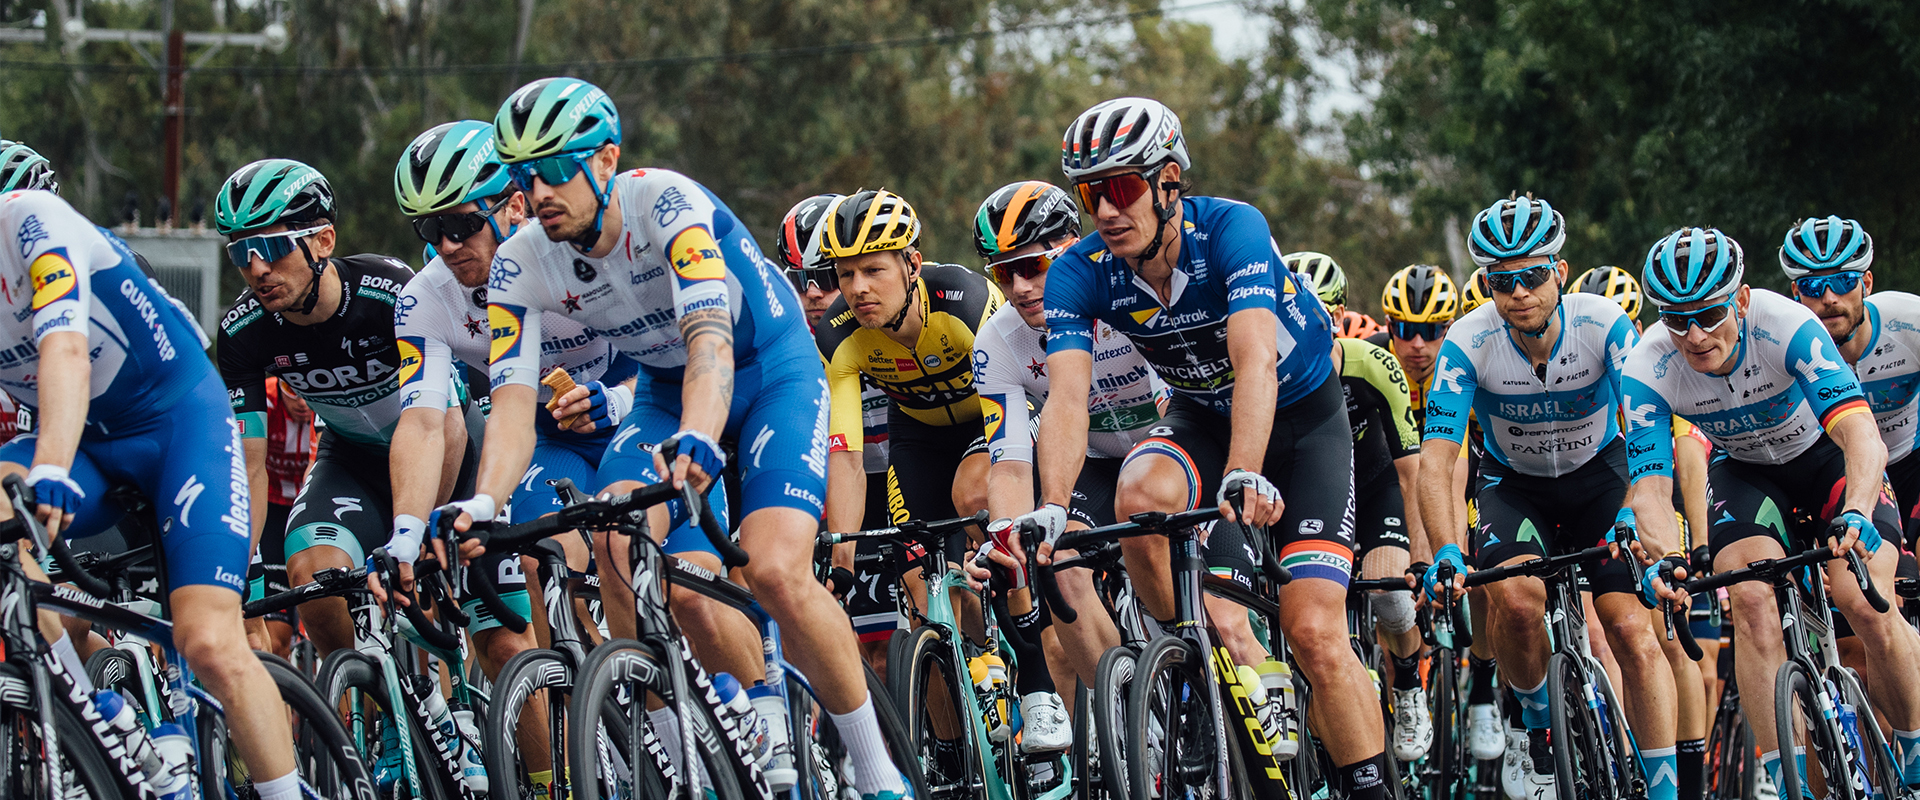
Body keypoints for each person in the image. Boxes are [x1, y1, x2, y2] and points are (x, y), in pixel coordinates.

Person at [459, 77, 914, 800]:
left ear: (604, 159)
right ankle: (691, 767)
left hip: (769, 372)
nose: (537, 190)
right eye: (522, 176)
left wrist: (701, 440)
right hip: (665, 393)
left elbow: (709, 339)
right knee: (612, 534)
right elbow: (512, 405)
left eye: (552, 168)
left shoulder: (665, 203)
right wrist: (484, 503)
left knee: (773, 571)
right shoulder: (519, 262)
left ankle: (875, 768)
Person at [1029, 96, 1390, 798]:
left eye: (1122, 187)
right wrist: (1048, 503)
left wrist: (1244, 474)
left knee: (1314, 632)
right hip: (1202, 418)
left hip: (1303, 424)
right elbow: (1067, 400)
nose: (1104, 210)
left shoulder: (1231, 230)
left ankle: (1369, 783)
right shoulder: (1079, 272)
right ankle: (1195, 666)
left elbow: (1255, 361)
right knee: (1140, 499)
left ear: (1169, 181)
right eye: (1090, 191)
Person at [0, 186, 303, 799]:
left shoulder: (31, 221)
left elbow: (66, 349)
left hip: (175, 425)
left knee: (208, 643)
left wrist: (52, 466)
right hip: (88, 443)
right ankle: (99, 725)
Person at [1620, 226, 1920, 794]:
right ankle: (1789, 784)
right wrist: (1664, 557)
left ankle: (1915, 754)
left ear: (1741, 299)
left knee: (1866, 603)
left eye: (1708, 315)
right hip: (1747, 474)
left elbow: (1861, 437)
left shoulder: (1788, 326)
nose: (1694, 335)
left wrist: (1857, 510)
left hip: (1824, 460)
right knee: (1753, 604)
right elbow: (1652, 490)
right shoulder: (1647, 368)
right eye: (1676, 319)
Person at [1420, 195, 1678, 800]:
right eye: (1500, 281)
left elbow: (1645, 433)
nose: (1518, 292)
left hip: (1602, 478)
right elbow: (1438, 463)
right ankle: (1536, 728)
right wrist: (1448, 550)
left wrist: (1630, 512)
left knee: (1631, 632)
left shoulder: (1606, 323)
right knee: (1511, 599)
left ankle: (1664, 788)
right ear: (1485, 284)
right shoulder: (1467, 342)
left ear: (1560, 271)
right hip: (1517, 487)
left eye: (1532, 275)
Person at [215, 158, 477, 659]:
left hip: (445, 447)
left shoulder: (390, 294)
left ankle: (448, 711)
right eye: (241, 253)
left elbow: (446, 424)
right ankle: (360, 690)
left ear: (323, 241)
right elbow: (248, 464)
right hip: (351, 458)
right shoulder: (242, 331)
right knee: (311, 576)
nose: (257, 269)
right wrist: (238, 578)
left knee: (457, 617)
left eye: (270, 247)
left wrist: (418, 533)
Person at [965, 179, 1164, 750]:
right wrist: (1008, 539)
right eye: (1005, 274)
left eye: (1033, 266)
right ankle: (1132, 718)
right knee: (1055, 560)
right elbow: (1008, 465)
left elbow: (1174, 401)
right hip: (1096, 463)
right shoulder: (999, 341)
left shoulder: (1127, 293)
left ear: (1074, 245)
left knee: (1209, 607)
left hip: (1173, 451)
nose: (1021, 288)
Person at [1575, 263, 1716, 800]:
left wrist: (1696, 547)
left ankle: (1690, 781)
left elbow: (1689, 458)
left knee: (1670, 639)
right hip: (1612, 488)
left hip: (1661, 492)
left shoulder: (1660, 361)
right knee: (1612, 632)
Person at [1286, 250, 1432, 761]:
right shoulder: (1264, 369)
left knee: (1391, 597)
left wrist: (1419, 553)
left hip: (1374, 489)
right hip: (1306, 496)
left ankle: (1410, 686)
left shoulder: (1372, 363)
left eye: (1323, 314)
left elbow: (1412, 468)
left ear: (1340, 315)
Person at [779, 194, 904, 655]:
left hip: (913, 472)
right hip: (851, 483)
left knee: (940, 612)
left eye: (826, 277)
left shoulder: (898, 318)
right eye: (800, 279)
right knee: (872, 646)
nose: (813, 292)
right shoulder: (798, 344)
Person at [244, 377, 314, 659]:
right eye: (291, 391)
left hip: (309, 502)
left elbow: (316, 462)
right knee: (276, 638)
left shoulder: (323, 402)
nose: (300, 402)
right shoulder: (265, 400)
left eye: (304, 393)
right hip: (271, 509)